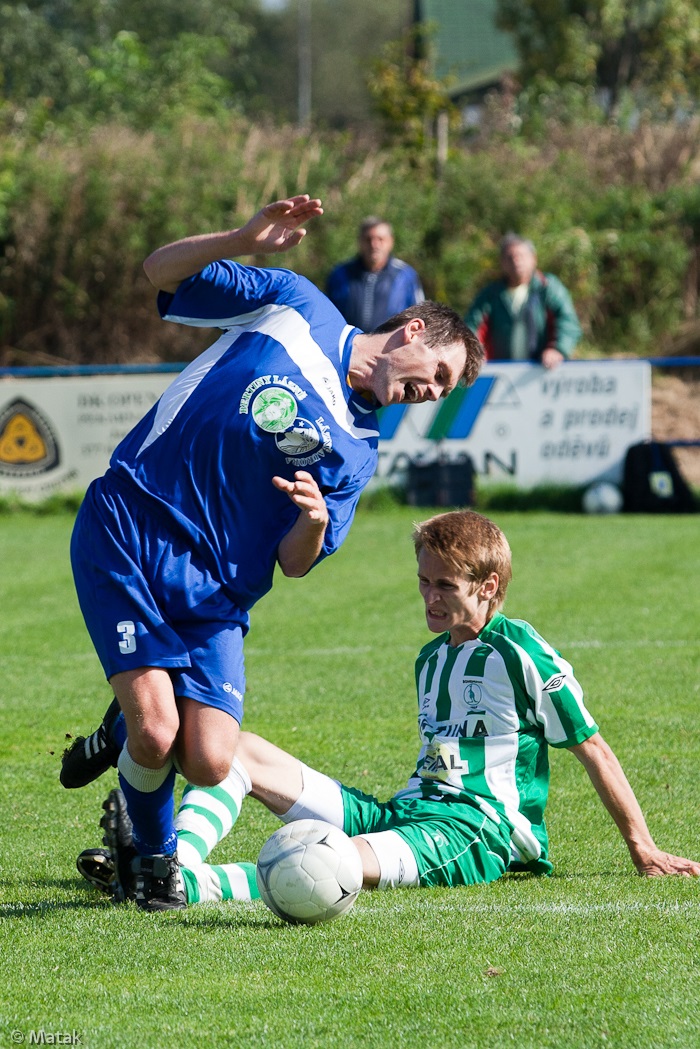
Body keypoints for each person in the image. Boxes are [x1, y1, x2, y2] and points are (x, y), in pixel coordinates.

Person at [63, 194, 483, 912]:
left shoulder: (358, 450)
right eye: (435, 372)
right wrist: (241, 238)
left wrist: (314, 522)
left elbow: (293, 562)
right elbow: (158, 270)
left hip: (220, 591)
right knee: (158, 731)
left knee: (210, 758)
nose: (426, 391)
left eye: (439, 392)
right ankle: (154, 863)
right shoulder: (297, 306)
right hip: (134, 523)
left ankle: (120, 728)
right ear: (413, 329)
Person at [77, 509, 699, 908]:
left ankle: (190, 887)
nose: (429, 597)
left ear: (490, 588)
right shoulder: (431, 660)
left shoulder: (522, 653)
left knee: (328, 863)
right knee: (236, 750)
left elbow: (592, 746)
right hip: (405, 811)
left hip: (477, 832)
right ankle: (165, 862)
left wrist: (642, 848)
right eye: (424, 582)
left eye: (445, 586)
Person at [465, 234, 581, 369]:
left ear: (534, 259)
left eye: (521, 256)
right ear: (502, 263)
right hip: (500, 374)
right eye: (510, 257)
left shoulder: (548, 288)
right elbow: (472, 326)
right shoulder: (490, 295)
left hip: (542, 371)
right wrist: (475, 354)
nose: (516, 261)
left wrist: (558, 349)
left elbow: (568, 322)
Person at [326, 217, 424, 331]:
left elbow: (419, 316)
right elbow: (328, 316)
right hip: (350, 347)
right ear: (360, 242)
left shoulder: (405, 276)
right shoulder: (340, 275)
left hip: (391, 347)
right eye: (368, 239)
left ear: (391, 241)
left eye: (380, 239)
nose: (374, 245)